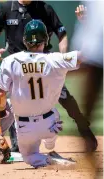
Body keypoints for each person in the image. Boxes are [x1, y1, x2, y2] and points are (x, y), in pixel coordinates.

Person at [0, 0, 97, 153]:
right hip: (19, 67)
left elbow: (61, 33)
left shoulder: (44, 8)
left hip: (43, 63)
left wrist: (62, 57)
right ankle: (17, 144)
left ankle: (84, 131)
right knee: (16, 103)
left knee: (67, 100)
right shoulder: (7, 8)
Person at [0, 19, 83, 168]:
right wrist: (84, 24)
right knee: (54, 111)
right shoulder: (55, 59)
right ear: (46, 39)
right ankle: (50, 141)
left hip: (23, 127)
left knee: (29, 157)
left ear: (24, 40)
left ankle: (48, 160)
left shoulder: (10, 61)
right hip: (49, 123)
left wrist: (2, 111)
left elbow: (0, 95)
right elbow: (83, 57)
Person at [72, 3, 103, 178]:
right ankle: (86, 137)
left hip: (95, 54)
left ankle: (86, 138)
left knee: (87, 111)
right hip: (95, 54)